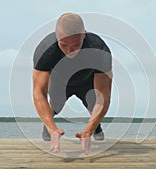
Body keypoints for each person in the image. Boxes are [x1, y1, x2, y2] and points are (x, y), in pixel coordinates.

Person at [32, 13, 112, 155]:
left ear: (84, 35)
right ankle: (48, 126)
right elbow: (39, 93)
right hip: (60, 82)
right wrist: (52, 127)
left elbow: (103, 95)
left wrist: (88, 130)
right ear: (56, 37)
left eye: (76, 45)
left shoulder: (98, 48)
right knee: (55, 106)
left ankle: (95, 126)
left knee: (94, 105)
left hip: (87, 81)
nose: (70, 51)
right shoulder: (45, 49)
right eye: (63, 45)